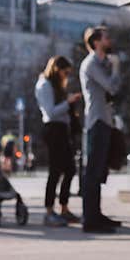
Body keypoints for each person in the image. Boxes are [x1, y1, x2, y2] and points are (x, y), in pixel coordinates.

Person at [78, 26, 123, 233]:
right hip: (96, 122)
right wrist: (115, 68)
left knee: (99, 172)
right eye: (106, 37)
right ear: (96, 42)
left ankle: (96, 214)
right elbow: (111, 86)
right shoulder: (90, 64)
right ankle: (90, 219)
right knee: (93, 172)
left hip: (104, 121)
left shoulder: (101, 63)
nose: (109, 40)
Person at [35, 56, 82, 227]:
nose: (66, 76)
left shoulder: (57, 86)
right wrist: (67, 103)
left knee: (70, 169)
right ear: (56, 69)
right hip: (53, 129)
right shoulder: (44, 85)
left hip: (62, 130)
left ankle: (64, 207)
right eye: (65, 72)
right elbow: (50, 112)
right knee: (55, 171)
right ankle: (48, 211)